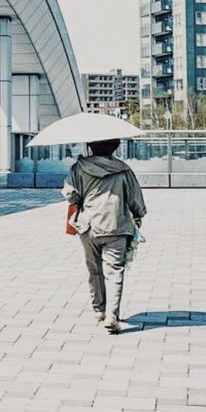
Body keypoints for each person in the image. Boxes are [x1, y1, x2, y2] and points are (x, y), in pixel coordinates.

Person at [62, 138, 147, 334]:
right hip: (116, 225)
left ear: (90, 146)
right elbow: (135, 196)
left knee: (94, 270)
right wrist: (138, 214)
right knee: (115, 270)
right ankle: (112, 315)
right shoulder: (124, 169)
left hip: (88, 226)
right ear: (116, 146)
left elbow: (71, 195)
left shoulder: (79, 168)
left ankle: (99, 311)